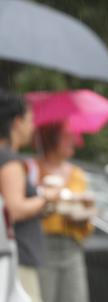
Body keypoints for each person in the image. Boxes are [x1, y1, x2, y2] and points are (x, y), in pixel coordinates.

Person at [29, 122, 95, 302]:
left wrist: (84, 211)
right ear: (52, 139)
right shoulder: (32, 169)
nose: (75, 141)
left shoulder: (77, 173)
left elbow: (86, 219)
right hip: (42, 245)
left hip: (71, 245)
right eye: (68, 137)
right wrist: (46, 198)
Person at [0, 90, 56, 302]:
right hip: (17, 256)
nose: (33, 127)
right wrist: (46, 197)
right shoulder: (9, 161)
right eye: (30, 120)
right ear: (16, 121)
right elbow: (12, 210)